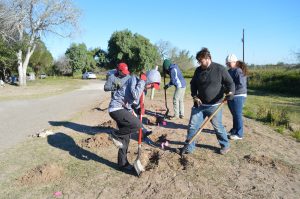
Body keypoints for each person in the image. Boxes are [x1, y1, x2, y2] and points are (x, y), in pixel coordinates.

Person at [183, 48, 235, 155]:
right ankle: (189, 147)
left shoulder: (220, 69)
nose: (199, 63)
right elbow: (193, 84)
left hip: (215, 105)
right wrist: (194, 96)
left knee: (218, 127)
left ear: (208, 58)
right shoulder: (198, 70)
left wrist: (230, 93)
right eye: (198, 61)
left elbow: (230, 83)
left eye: (201, 61)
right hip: (200, 105)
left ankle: (225, 145)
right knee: (192, 126)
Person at [108, 70, 160, 171]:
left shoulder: (141, 86)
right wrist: (142, 81)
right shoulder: (134, 80)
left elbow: (133, 101)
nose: (151, 88)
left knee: (125, 139)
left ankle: (122, 163)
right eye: (151, 85)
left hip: (123, 109)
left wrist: (139, 108)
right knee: (137, 125)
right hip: (116, 108)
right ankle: (115, 134)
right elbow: (135, 95)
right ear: (148, 81)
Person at [104, 62, 152, 138]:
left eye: (126, 72)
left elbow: (135, 92)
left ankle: (143, 131)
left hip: (127, 102)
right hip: (117, 102)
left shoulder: (129, 77)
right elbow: (106, 87)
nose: (125, 74)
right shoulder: (112, 77)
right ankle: (118, 134)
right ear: (118, 70)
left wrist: (138, 106)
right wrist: (116, 87)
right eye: (123, 72)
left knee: (134, 118)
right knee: (122, 122)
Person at [226, 54, 248, 140]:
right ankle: (234, 130)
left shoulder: (238, 71)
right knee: (234, 114)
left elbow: (241, 84)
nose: (228, 64)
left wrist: (232, 91)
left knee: (237, 115)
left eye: (229, 63)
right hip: (231, 95)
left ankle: (239, 134)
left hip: (238, 95)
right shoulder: (229, 71)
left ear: (234, 62)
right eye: (227, 63)